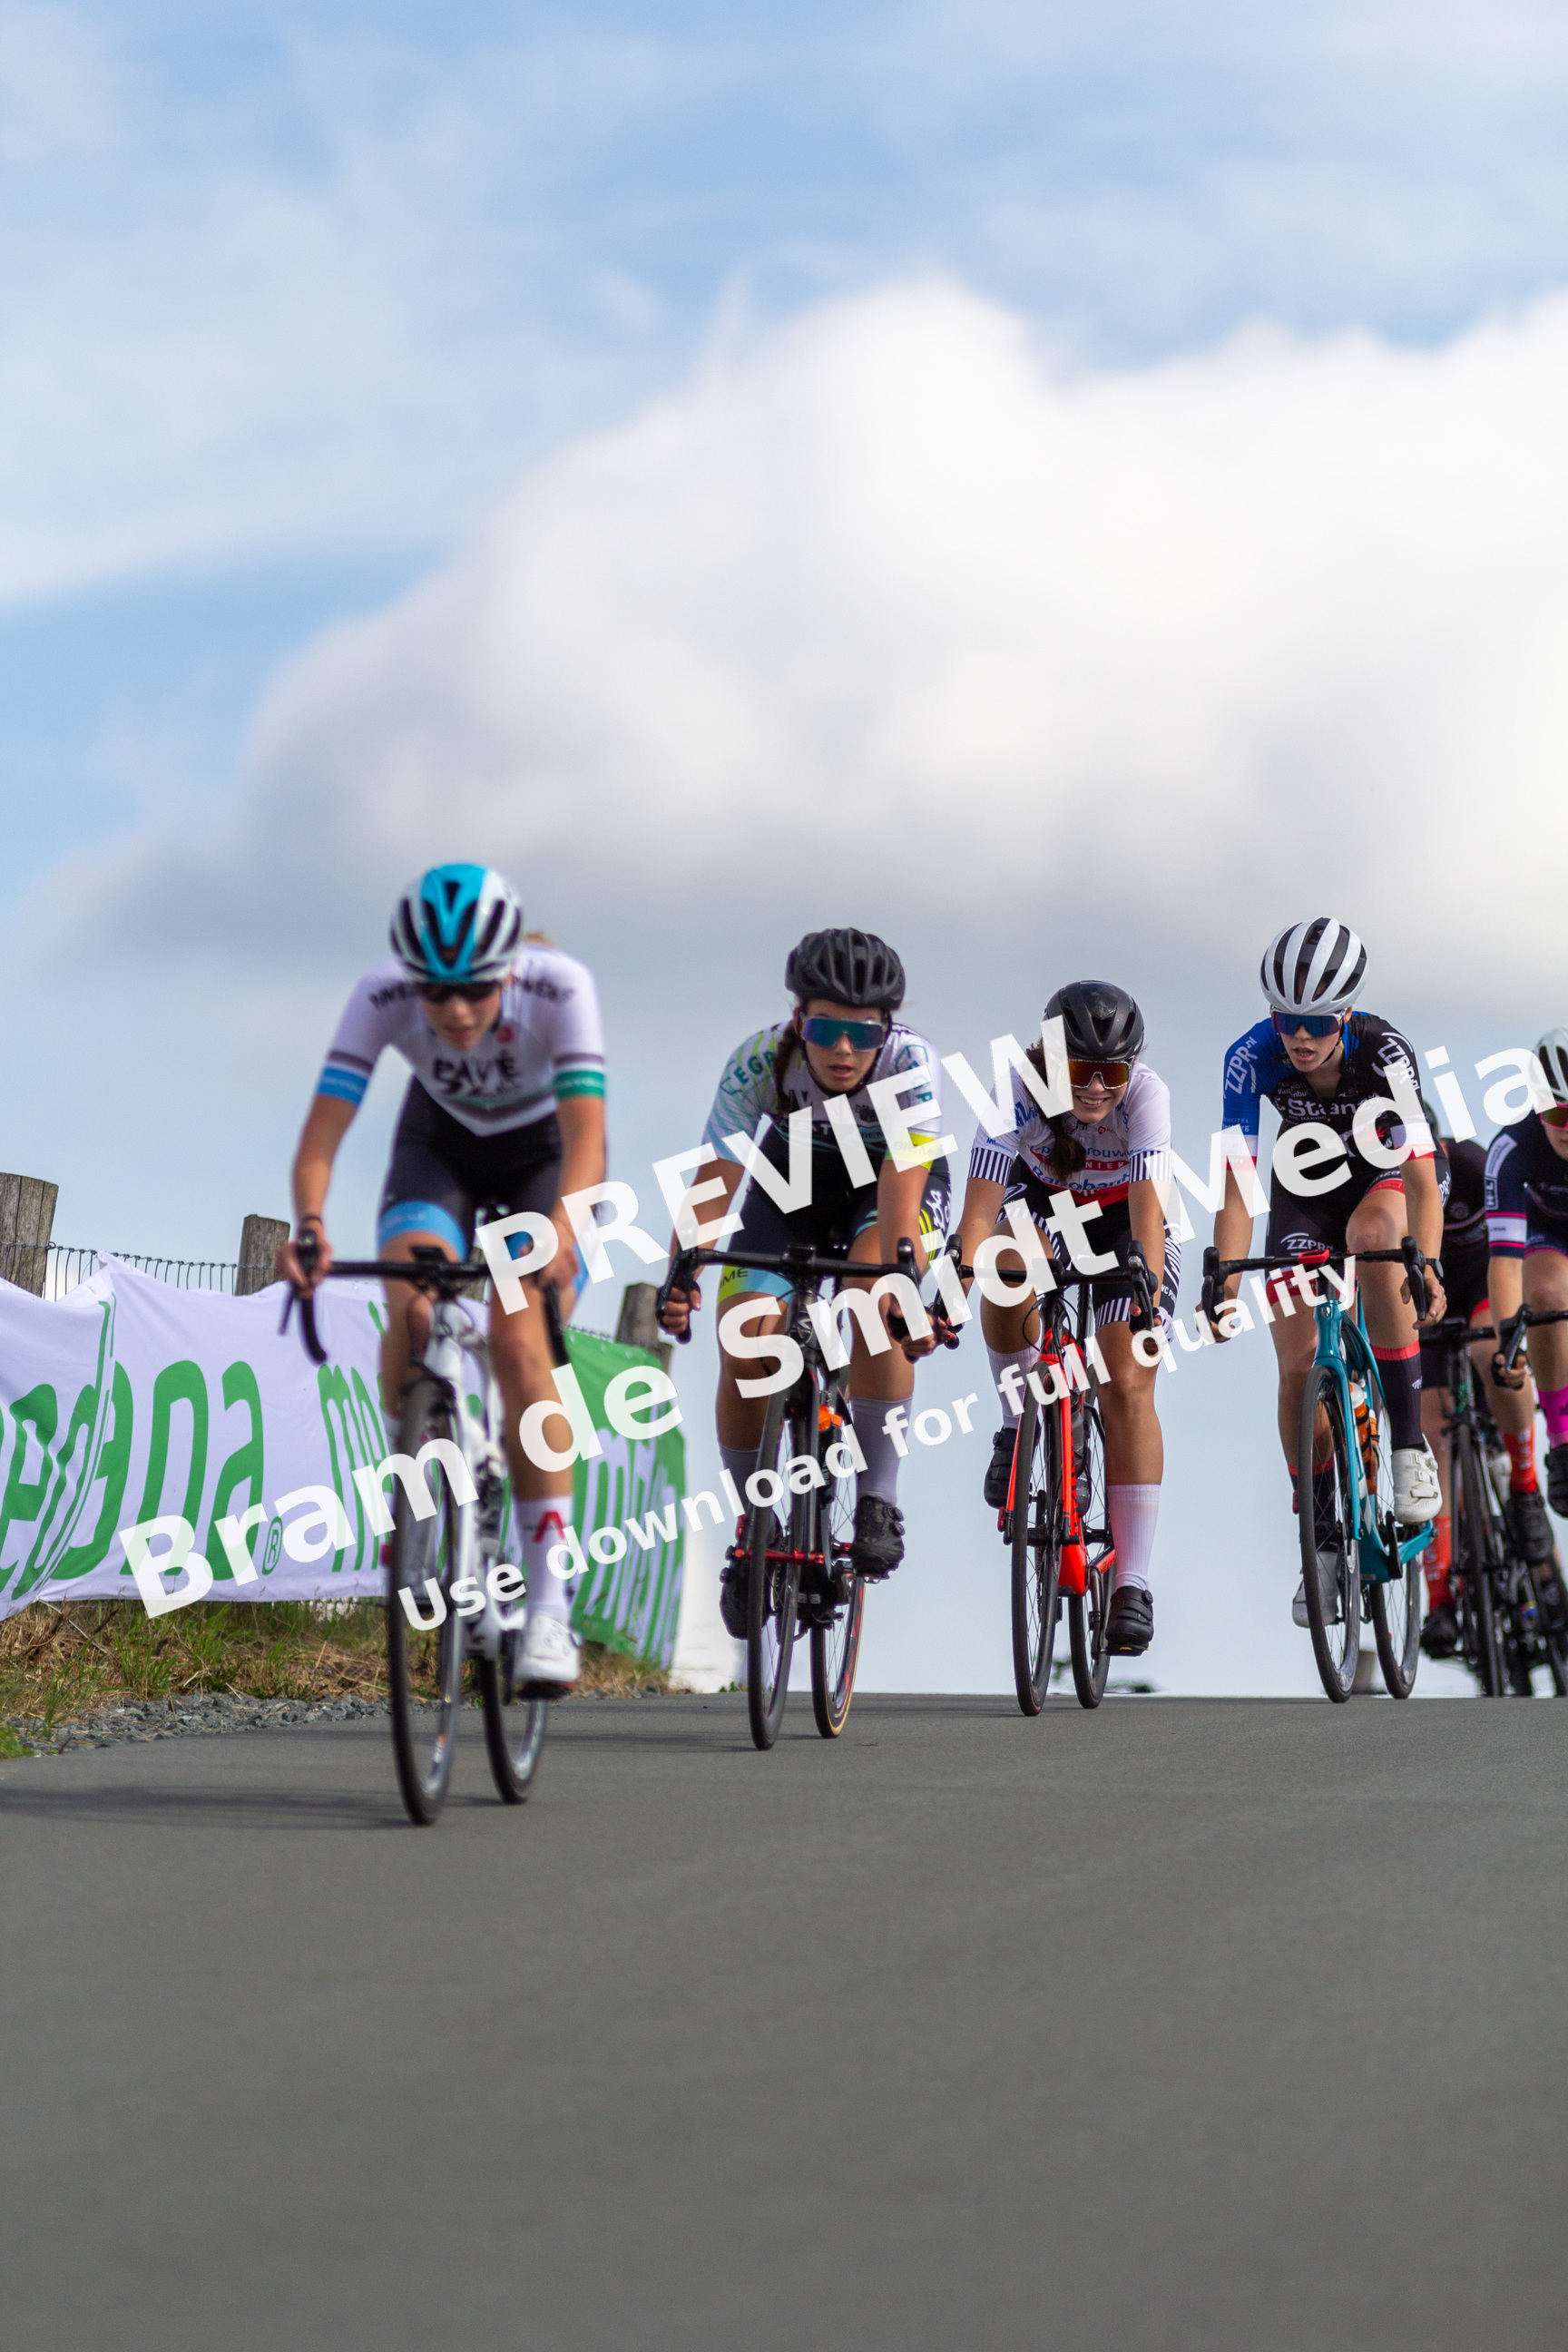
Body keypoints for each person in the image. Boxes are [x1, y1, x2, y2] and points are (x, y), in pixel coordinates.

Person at [279, 863, 607, 1697]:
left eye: (473, 990)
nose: (455, 1011)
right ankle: (420, 1466)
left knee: (517, 1336)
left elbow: (587, 1139)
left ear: (507, 971)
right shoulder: (380, 994)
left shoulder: (560, 988)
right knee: (414, 1309)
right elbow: (322, 1135)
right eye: (436, 992)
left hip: (545, 1163)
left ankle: (547, 1606)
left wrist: (562, 1232)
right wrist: (309, 1227)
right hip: (440, 1151)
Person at [658, 928, 946, 1636]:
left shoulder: (911, 1064)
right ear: (797, 1023)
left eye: (862, 1032)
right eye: (826, 1029)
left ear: (886, 1029)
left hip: (884, 1188)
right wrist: (682, 1271)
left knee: (871, 1299)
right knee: (744, 1337)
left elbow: (902, 1200)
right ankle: (755, 1520)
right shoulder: (758, 1060)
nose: (843, 1049)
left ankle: (878, 1496)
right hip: (789, 1187)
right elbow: (715, 1180)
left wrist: (902, 1281)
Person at [1210, 918, 1446, 1629]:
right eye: (1286, 1020)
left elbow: (1422, 1178)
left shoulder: (1386, 1053)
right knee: (1296, 1366)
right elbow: (1237, 1180)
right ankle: (1316, 1536)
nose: (1299, 1037)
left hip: (1381, 1176)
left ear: (1346, 1014)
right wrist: (1223, 1279)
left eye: (1316, 1022)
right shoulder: (1249, 1057)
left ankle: (1406, 1445)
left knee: (1373, 1238)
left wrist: (1425, 1261)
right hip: (1302, 1189)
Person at [946, 981, 1175, 1656]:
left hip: (1123, 1221)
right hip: (1040, 1211)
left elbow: (1148, 1210)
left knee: (1128, 1380)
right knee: (1003, 1263)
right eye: (1082, 1071)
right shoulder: (1012, 1086)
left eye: (1112, 1072)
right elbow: (981, 1209)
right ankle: (1018, 1426)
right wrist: (958, 1280)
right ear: (1050, 1058)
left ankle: (1131, 1581)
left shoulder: (1147, 1095)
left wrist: (1148, 1295)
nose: (1098, 1088)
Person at [1418, 1099, 1554, 1659]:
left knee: (1484, 1349)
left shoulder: (1474, 1164)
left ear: (1441, 1147)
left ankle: (1525, 1488)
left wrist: (1509, 1330)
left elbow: (1512, 1250)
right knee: (1433, 1437)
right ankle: (1439, 1597)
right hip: (1424, 1308)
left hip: (1481, 1287)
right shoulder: (1382, 1191)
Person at [1485, 1024, 1568, 1529]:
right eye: (1559, 1113)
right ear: (1539, 1107)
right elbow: (1505, 1261)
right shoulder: (1512, 1149)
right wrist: (1506, 1343)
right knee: (1543, 1293)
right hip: (1548, 1240)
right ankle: (1561, 1443)